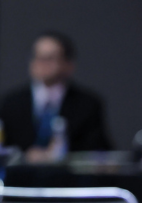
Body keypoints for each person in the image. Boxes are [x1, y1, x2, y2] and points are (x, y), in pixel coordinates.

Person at [0, 31, 111, 163]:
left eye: (50, 58)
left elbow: (99, 151)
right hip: (20, 179)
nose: (42, 63)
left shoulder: (87, 104)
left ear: (68, 65)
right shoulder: (12, 102)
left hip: (68, 179)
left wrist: (61, 156)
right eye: (37, 57)